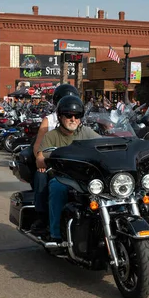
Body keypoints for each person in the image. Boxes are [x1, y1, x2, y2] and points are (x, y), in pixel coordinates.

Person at [33, 95, 101, 241]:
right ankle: (55, 234)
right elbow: (39, 159)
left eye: (77, 115)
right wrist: (50, 159)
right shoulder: (52, 136)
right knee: (58, 188)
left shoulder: (86, 132)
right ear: (60, 117)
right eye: (69, 115)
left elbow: (103, 143)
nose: (73, 119)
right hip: (62, 176)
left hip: (84, 176)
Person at [31, 84, 80, 234]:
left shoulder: (78, 119)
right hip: (53, 162)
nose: (73, 117)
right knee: (41, 173)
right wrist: (43, 160)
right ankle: (41, 215)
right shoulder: (50, 120)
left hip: (75, 162)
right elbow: (38, 146)